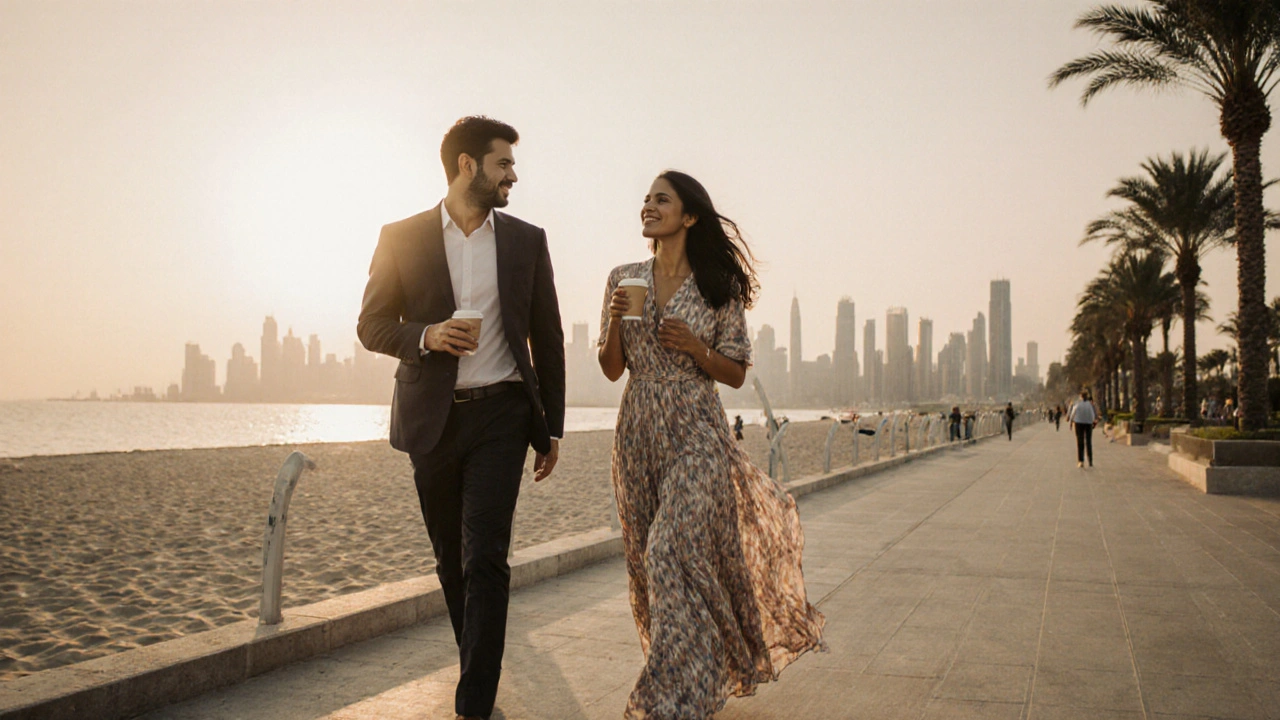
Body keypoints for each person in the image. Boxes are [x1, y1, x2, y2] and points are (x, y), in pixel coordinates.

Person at [356, 116, 565, 720]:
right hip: (433, 419)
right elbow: (371, 325)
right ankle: (477, 660)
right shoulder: (401, 237)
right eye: (504, 164)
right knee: (451, 560)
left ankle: (473, 703)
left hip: (502, 413)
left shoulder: (527, 240)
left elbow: (546, 336)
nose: (513, 176)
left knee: (486, 558)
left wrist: (550, 426)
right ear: (468, 165)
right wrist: (428, 335)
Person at [598, 171, 824, 718]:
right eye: (647, 198)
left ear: (690, 215)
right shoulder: (623, 278)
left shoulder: (715, 284)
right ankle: (693, 675)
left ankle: (669, 696)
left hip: (697, 427)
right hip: (639, 430)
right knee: (654, 568)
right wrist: (610, 325)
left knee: (669, 548)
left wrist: (697, 348)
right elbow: (611, 370)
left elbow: (737, 373)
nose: (648, 206)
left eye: (662, 199)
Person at [1069, 390, 1097, 467]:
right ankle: (1090, 460)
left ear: (1081, 396)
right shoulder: (1090, 404)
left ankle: (1081, 461)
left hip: (1078, 423)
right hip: (1088, 423)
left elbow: (1072, 414)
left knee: (1080, 442)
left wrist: (1071, 423)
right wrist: (1093, 422)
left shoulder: (1077, 404)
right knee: (1088, 442)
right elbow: (1092, 414)